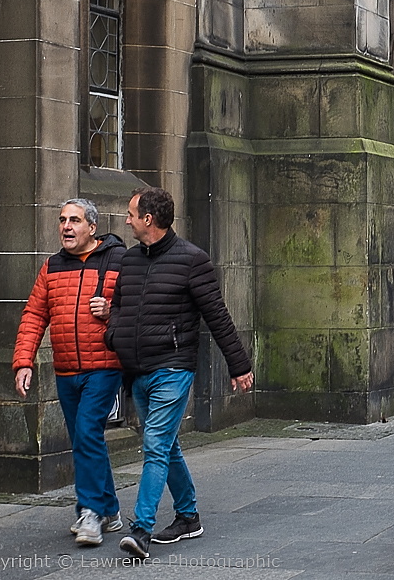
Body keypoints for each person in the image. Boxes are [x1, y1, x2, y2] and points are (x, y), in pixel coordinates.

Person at [106, 188, 254, 559]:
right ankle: (188, 517)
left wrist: (239, 366)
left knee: (155, 445)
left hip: (172, 368)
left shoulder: (192, 260)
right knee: (166, 444)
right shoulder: (130, 260)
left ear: (148, 220)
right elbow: (119, 307)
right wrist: (115, 334)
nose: (126, 220)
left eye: (131, 214)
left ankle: (140, 530)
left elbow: (217, 315)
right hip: (137, 370)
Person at [12, 199, 126, 547]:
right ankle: (109, 508)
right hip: (65, 370)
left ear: (92, 227)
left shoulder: (118, 261)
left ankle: (89, 512)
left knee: (88, 432)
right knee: (84, 440)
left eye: (74, 220)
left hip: (104, 367)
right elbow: (34, 315)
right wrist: (24, 362)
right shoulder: (52, 267)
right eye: (62, 220)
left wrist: (111, 311)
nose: (66, 227)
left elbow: (137, 307)